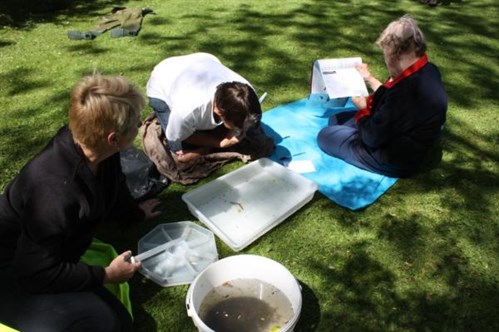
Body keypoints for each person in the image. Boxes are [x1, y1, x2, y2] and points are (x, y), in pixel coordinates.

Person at [0, 75, 162, 331]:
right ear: (113, 138)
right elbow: (33, 272)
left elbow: (115, 186)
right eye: (135, 124)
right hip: (13, 271)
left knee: (118, 319)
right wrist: (107, 275)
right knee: (104, 324)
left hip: (49, 255)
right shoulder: (53, 193)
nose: (140, 125)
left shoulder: (97, 149)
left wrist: (134, 214)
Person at [317, 15, 447, 177]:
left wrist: (363, 110)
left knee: (325, 135)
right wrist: (370, 78)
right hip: (399, 134)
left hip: (395, 157)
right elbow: (393, 99)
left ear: (396, 54)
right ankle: (349, 130)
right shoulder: (428, 69)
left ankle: (354, 142)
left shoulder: (406, 93)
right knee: (336, 120)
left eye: (386, 57)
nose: (386, 62)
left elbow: (372, 138)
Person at [146, 52, 262, 163]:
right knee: (179, 150)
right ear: (219, 110)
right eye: (236, 124)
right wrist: (220, 143)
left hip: (203, 60)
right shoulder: (187, 110)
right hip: (163, 76)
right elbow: (181, 136)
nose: (241, 128)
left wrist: (237, 129)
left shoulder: (247, 94)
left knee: (245, 131)